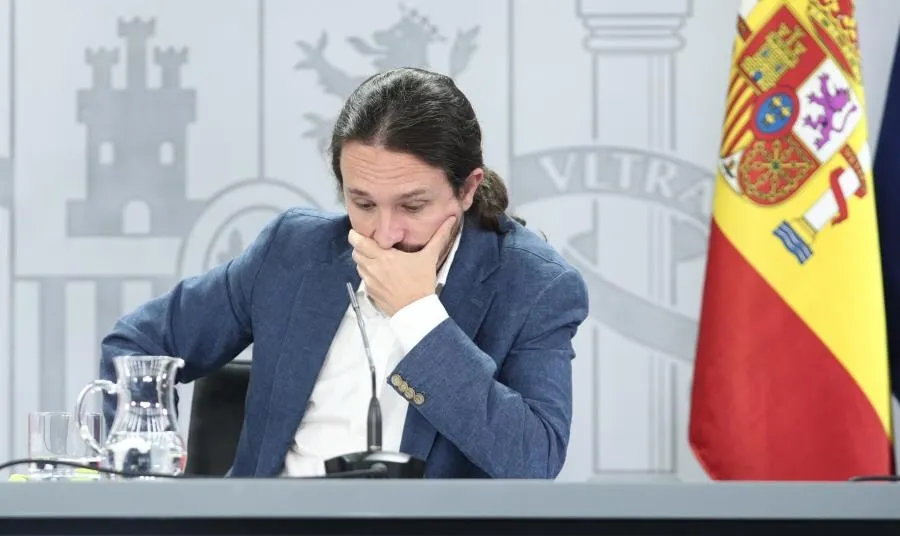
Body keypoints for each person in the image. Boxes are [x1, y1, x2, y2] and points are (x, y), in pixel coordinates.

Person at [99, 67, 590, 479]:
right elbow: (138, 346)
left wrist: (418, 316)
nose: (385, 233)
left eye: (412, 205)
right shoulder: (293, 252)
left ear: (466, 189)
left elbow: (534, 459)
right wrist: (144, 475)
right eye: (363, 203)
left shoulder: (534, 285)